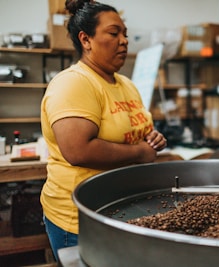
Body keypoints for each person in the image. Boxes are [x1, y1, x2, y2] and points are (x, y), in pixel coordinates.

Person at [40, 0, 167, 261]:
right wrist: (141, 153)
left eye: (125, 34)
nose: (124, 41)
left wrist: (151, 139)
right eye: (114, 33)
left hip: (121, 206)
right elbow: (78, 150)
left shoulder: (126, 84)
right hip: (80, 217)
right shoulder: (74, 83)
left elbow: (136, 132)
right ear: (85, 39)